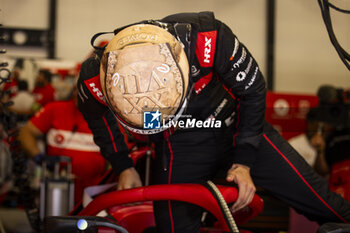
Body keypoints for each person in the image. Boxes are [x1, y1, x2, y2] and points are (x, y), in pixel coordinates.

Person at [77, 12, 350, 233]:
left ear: (182, 68)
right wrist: (123, 166)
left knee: (328, 206)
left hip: (236, 126)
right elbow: (99, 121)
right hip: (177, 146)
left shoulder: (207, 37)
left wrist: (244, 162)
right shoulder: (94, 76)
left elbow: (253, 90)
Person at [18, 86, 106, 204]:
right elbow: (26, 133)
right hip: (56, 188)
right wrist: (38, 156)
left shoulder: (107, 117)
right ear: (74, 90)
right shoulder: (54, 109)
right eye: (79, 89)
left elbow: (124, 152)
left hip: (94, 192)